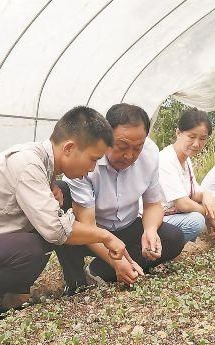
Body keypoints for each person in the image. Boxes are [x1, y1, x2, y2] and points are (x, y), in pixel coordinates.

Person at [0, 106, 129, 324]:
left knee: (62, 192)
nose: (93, 168)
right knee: (32, 250)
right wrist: (106, 236)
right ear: (68, 148)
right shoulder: (28, 163)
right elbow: (56, 231)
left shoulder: (42, 162)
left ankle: (15, 293)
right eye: (93, 159)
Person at [55, 103, 185, 293]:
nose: (129, 155)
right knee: (62, 194)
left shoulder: (150, 153)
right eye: (121, 146)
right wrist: (117, 260)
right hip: (91, 234)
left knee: (173, 238)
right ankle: (76, 279)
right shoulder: (85, 159)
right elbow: (88, 226)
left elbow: (152, 204)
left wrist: (150, 230)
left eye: (137, 148)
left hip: (127, 226)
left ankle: (98, 270)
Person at [158, 108, 215, 243]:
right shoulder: (165, 160)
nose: (196, 144)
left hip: (171, 215)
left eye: (203, 138)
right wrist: (208, 215)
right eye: (191, 137)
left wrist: (207, 195)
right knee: (196, 221)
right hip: (155, 218)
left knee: (206, 209)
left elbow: (194, 192)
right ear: (178, 133)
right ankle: (162, 252)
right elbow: (182, 204)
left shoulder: (186, 160)